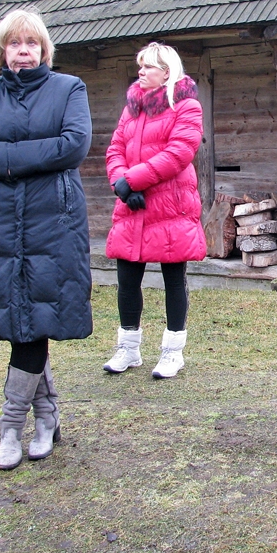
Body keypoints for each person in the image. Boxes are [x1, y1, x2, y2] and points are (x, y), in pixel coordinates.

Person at [0, 7, 93, 471]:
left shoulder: (68, 88)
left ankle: (11, 425)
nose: (24, 51)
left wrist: (6, 158)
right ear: (2, 51)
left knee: (33, 321)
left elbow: (73, 145)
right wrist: (32, 157)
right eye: (15, 43)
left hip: (53, 223)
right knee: (23, 321)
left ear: (44, 49)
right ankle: (47, 417)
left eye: (32, 43)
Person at [103, 42, 206, 379]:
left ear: (166, 71)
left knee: (173, 279)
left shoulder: (187, 105)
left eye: (148, 66)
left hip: (171, 206)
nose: (141, 72)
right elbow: (116, 147)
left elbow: (179, 153)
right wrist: (121, 183)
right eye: (140, 66)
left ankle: (173, 353)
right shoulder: (132, 107)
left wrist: (132, 180)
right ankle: (128, 349)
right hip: (133, 206)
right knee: (126, 280)